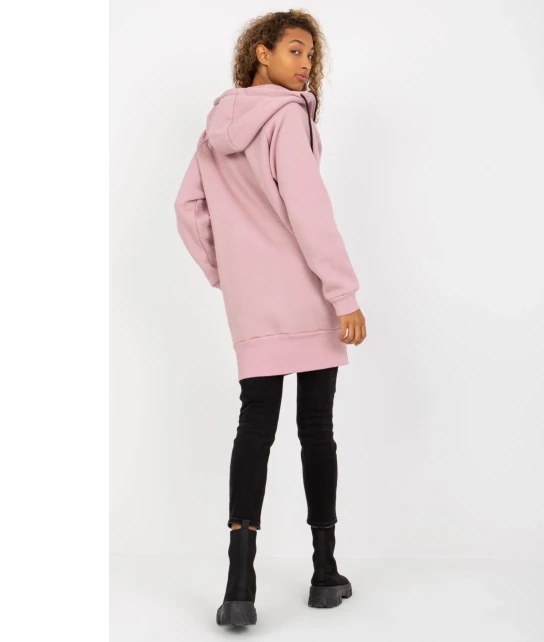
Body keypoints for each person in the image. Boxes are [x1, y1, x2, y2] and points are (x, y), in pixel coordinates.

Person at [173, 9, 367, 628]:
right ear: (262, 53)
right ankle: (324, 572)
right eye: (294, 50)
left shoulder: (215, 130)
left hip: (252, 303)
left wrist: (228, 272)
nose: (306, 64)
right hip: (307, 294)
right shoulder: (288, 116)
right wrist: (344, 294)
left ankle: (239, 585)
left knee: (254, 427)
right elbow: (310, 209)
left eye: (311, 54)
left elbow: (188, 207)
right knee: (317, 428)